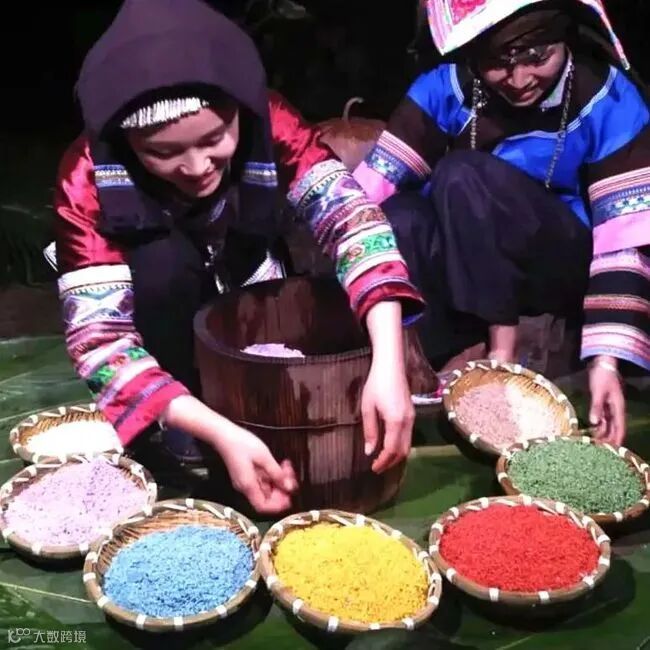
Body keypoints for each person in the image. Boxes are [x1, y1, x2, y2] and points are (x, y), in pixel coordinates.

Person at [52, 0, 425, 514]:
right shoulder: (88, 175)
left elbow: (352, 220)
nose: (196, 167)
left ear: (238, 111)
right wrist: (220, 432)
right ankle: (184, 408)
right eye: (162, 152)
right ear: (125, 139)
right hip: (159, 307)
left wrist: (388, 361)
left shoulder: (267, 120)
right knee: (162, 265)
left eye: (213, 139)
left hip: (246, 278)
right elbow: (101, 341)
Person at [353, 0, 649, 446]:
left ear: (565, 40)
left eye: (537, 57)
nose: (520, 79)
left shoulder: (608, 98)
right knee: (400, 217)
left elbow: (623, 237)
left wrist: (605, 363)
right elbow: (370, 191)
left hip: (556, 261)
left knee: (462, 174)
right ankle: (417, 364)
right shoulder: (448, 87)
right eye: (498, 63)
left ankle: (501, 359)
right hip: (473, 260)